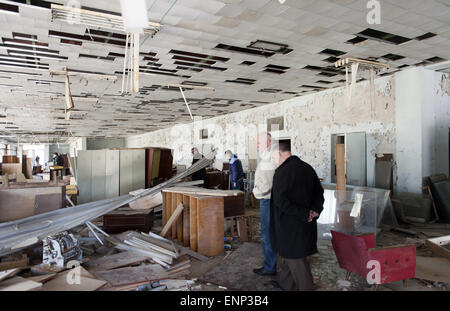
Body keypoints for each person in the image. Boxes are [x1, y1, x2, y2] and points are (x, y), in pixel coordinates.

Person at [268, 141, 324, 291]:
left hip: (290, 225)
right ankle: (285, 284)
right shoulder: (307, 168)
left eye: (273, 157)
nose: (274, 160)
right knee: (292, 255)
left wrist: (305, 213)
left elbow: (280, 202)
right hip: (306, 223)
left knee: (297, 261)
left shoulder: (282, 172)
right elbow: (319, 193)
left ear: (279, 153)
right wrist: (315, 210)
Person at [252, 133, 278, 276]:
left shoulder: (270, 155)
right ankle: (271, 264)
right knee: (270, 232)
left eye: (259, 142)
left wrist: (257, 192)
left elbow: (268, 183)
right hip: (270, 198)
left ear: (267, 142)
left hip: (267, 199)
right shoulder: (269, 154)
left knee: (267, 233)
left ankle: (269, 267)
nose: (257, 145)